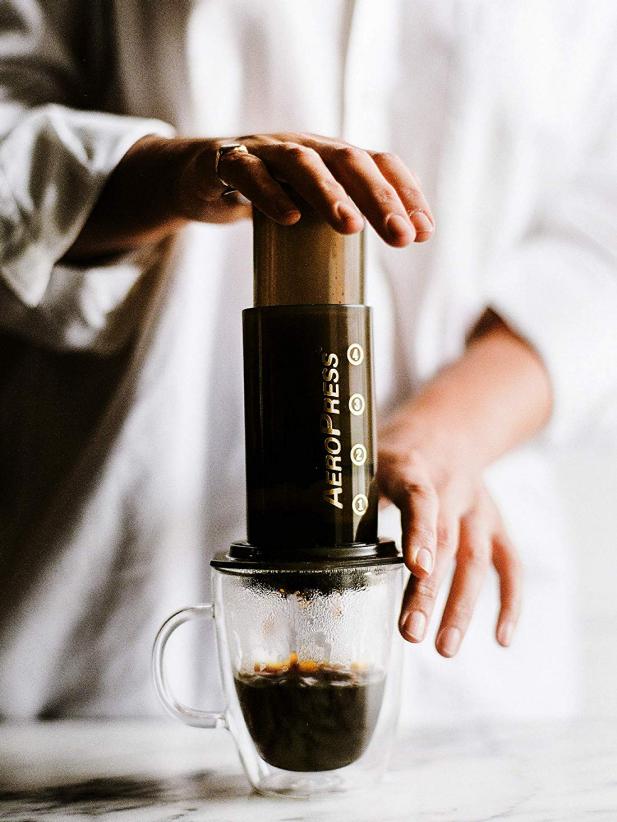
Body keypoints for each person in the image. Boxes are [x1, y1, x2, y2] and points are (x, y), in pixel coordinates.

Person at [1, 0, 616, 722]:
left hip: (464, 678)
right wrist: (170, 175)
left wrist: (444, 436)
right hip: (111, 644)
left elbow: (596, 242)